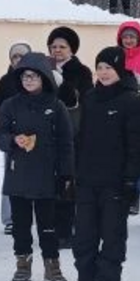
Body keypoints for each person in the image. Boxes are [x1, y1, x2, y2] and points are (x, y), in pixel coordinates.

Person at [68, 47, 140, 281]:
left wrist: (131, 179)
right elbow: (80, 138)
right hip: (87, 178)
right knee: (84, 233)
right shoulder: (90, 98)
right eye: (99, 68)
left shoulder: (132, 101)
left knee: (112, 234)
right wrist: (74, 172)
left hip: (116, 181)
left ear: (120, 69)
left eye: (108, 68)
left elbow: (137, 144)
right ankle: (85, 277)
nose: (103, 73)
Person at [0, 52, 75, 281]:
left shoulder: (56, 106)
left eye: (34, 76)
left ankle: (52, 267)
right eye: (25, 76)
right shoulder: (10, 105)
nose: (29, 80)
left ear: (44, 78)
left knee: (48, 225)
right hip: (18, 173)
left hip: (47, 175)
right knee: (20, 225)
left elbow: (66, 142)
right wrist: (12, 140)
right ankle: (23, 265)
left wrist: (66, 174)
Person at [48, 26, 93, 247]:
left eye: (62, 47)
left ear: (71, 49)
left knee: (67, 183)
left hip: (72, 134)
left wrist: (61, 82)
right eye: (54, 46)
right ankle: (51, 227)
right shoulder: (43, 67)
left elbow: (79, 100)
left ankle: (65, 231)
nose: (57, 50)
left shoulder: (81, 71)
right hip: (48, 133)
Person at [0, 42, 32, 234]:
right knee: (11, 176)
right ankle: (10, 218)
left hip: (35, 137)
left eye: (22, 56)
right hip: (13, 138)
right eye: (15, 56)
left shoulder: (39, 78)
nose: (18, 60)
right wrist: (6, 126)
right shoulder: (5, 81)